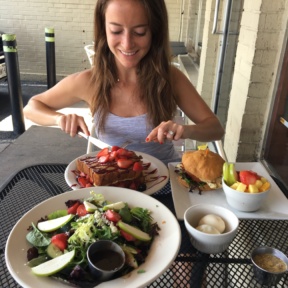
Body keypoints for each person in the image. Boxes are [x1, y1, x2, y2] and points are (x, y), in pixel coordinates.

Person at [24, 0, 224, 165]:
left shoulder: (170, 78)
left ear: (154, 32)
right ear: (103, 30)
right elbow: (31, 107)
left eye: (139, 32)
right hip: (112, 183)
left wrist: (186, 130)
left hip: (167, 182)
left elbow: (215, 128)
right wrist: (59, 119)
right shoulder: (89, 82)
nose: (127, 44)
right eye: (116, 31)